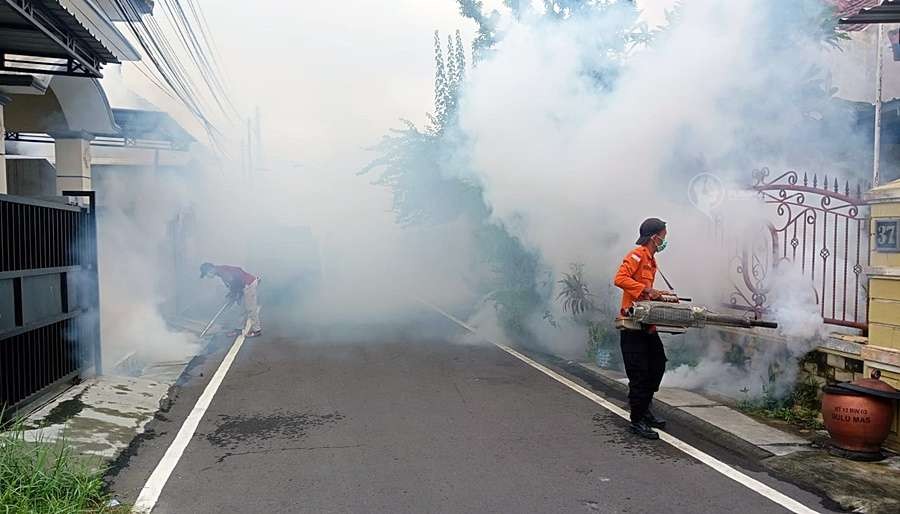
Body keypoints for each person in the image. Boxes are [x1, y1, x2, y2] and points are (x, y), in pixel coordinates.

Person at [613, 218, 671, 440]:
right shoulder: (637, 255)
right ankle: (637, 421)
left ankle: (645, 408)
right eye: (663, 236)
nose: (665, 240)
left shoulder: (651, 261)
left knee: (657, 365)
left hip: (647, 325)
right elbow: (619, 279)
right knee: (639, 374)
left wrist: (659, 294)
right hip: (632, 326)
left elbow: (647, 291)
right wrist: (645, 290)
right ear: (654, 237)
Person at [200, 262, 262, 338]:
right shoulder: (220, 271)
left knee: (250, 308)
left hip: (249, 284)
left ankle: (257, 330)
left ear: (210, 270)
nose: (207, 276)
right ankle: (239, 329)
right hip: (242, 286)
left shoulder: (223, 272)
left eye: (206, 274)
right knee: (241, 309)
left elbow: (237, 281)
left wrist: (236, 294)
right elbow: (233, 283)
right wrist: (233, 293)